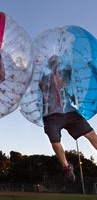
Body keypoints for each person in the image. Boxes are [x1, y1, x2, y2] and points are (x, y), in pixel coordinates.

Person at [39, 55, 97, 183]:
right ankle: (66, 167)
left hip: (69, 113)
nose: (57, 65)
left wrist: (90, 66)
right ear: (50, 66)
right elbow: (37, 83)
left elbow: (80, 74)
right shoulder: (45, 79)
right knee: (55, 141)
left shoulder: (66, 77)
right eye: (53, 63)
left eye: (58, 63)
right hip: (51, 115)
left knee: (92, 135)